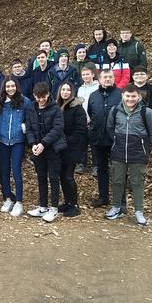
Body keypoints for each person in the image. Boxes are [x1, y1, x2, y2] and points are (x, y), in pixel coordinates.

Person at [105, 84, 152, 225]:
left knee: (137, 183)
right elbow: (110, 129)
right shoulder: (115, 111)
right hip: (118, 152)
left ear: (139, 97)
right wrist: (117, 141)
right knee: (117, 181)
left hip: (138, 153)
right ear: (122, 96)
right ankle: (116, 207)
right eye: (127, 96)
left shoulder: (146, 112)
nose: (130, 99)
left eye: (133, 96)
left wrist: (145, 147)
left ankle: (138, 211)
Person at [25, 82, 67, 222]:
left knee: (53, 178)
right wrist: (33, 144)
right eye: (38, 97)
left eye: (43, 97)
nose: (41, 100)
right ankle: (43, 206)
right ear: (34, 96)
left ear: (48, 94)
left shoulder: (56, 109)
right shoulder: (31, 108)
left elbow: (58, 128)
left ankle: (54, 208)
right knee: (41, 178)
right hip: (38, 148)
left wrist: (43, 143)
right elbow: (29, 127)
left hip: (53, 148)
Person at [87, 70, 123, 207]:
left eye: (110, 77)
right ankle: (103, 197)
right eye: (104, 77)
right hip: (97, 139)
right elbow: (91, 113)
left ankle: (119, 200)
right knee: (101, 169)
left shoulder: (120, 94)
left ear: (114, 79)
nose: (107, 79)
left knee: (118, 170)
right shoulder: (93, 96)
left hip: (116, 139)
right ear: (100, 80)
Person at [0, 76, 30, 217]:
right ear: (4, 87)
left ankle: (19, 202)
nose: (10, 89)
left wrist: (24, 127)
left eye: (12, 86)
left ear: (17, 86)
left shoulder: (24, 101)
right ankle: (8, 198)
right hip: (2, 140)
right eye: (8, 86)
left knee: (16, 171)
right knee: (4, 171)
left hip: (18, 141)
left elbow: (30, 118)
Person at [56, 82, 87, 217]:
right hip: (59, 148)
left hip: (72, 148)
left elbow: (80, 130)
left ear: (72, 92)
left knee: (68, 176)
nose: (65, 92)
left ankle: (74, 205)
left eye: (68, 90)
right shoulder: (57, 106)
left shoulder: (77, 108)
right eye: (63, 90)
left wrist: (67, 141)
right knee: (62, 176)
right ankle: (67, 202)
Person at [75, 64, 100, 174]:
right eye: (83, 74)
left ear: (93, 75)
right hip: (82, 120)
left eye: (87, 74)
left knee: (94, 144)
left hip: (94, 120)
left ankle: (96, 165)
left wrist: (93, 118)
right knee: (81, 143)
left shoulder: (98, 87)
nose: (85, 76)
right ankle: (81, 164)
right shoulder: (80, 88)